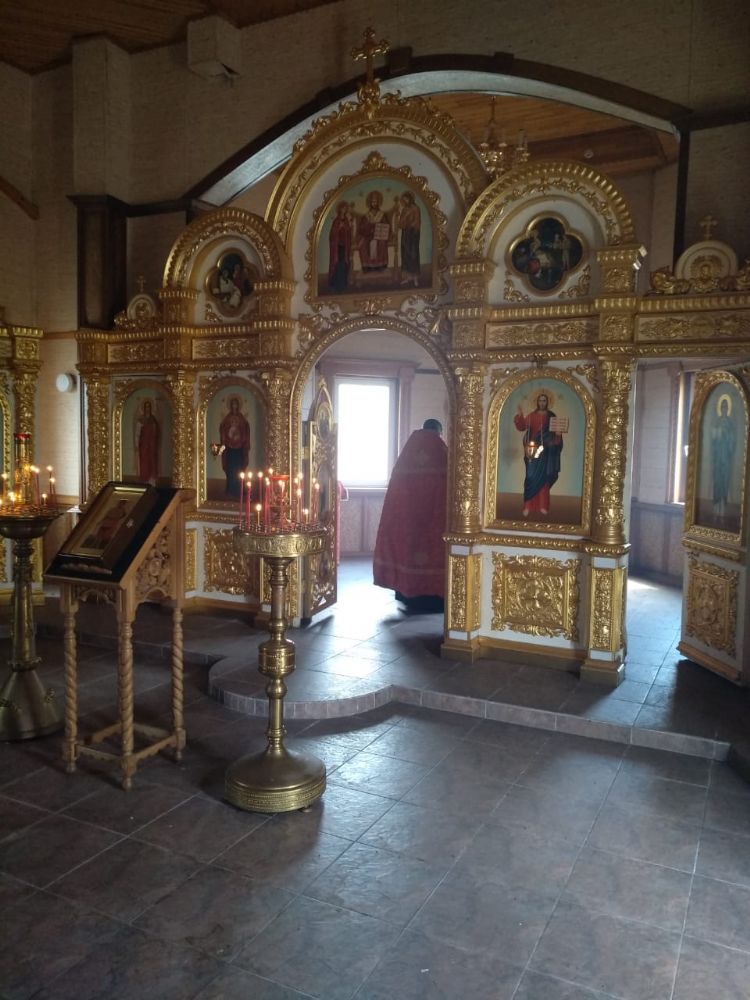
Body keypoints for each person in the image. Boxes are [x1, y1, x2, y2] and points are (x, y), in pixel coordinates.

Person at [373, 418, 447, 611]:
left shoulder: (408, 452)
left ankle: (406, 592)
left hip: (409, 521)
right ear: (439, 432)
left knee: (409, 551)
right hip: (435, 521)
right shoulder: (442, 452)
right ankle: (433, 596)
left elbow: (396, 491)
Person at [514, 393, 564, 517]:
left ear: (547, 402)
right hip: (532, 451)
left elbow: (556, 438)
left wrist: (558, 434)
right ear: (537, 402)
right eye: (540, 400)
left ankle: (543, 506)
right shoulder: (532, 416)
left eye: (544, 401)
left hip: (546, 452)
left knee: (544, 479)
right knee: (530, 477)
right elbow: (522, 427)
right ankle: (527, 506)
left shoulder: (552, 416)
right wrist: (520, 415)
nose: (542, 403)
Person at [219, 396, 251, 499]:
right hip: (230, 448)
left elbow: (245, 428)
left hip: (239, 448)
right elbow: (223, 428)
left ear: (238, 405)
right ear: (230, 405)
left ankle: (240, 490)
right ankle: (230, 490)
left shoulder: (241, 418)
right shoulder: (227, 418)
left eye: (236, 404)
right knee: (230, 469)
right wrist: (226, 432)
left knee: (239, 469)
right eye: (232, 404)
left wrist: (241, 434)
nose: (234, 405)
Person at [711, 395, 736, 520]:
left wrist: (726, 434)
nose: (725, 409)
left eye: (726, 407)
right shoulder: (717, 422)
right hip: (718, 457)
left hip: (725, 458)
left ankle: (723, 511)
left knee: (725, 482)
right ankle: (715, 509)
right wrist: (718, 432)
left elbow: (733, 440)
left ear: (728, 409)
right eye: (723, 407)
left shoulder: (730, 424)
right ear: (720, 408)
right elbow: (713, 438)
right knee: (717, 483)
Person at [356, 190, 390, 271]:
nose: (374, 203)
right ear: (370, 203)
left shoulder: (382, 215)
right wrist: (369, 227)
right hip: (368, 235)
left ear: (378, 202)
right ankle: (367, 266)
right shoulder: (366, 216)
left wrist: (380, 228)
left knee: (382, 243)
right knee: (363, 244)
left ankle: (380, 265)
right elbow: (361, 228)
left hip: (379, 235)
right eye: (372, 202)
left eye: (375, 202)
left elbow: (387, 226)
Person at [327, 201, 353, 292]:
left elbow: (349, 233)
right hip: (337, 247)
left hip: (345, 247)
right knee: (337, 264)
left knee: (344, 264)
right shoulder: (336, 221)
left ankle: (343, 283)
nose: (344, 210)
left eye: (345, 208)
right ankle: (336, 283)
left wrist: (346, 228)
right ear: (340, 209)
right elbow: (332, 235)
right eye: (343, 208)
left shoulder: (346, 220)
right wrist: (339, 228)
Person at [398, 191, 421, 287]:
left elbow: (417, 222)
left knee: (413, 255)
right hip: (405, 234)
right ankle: (407, 277)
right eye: (404, 200)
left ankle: (415, 278)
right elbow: (400, 224)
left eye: (406, 199)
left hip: (413, 235)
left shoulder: (415, 209)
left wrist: (410, 225)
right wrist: (403, 220)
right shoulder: (404, 209)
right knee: (405, 255)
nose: (405, 201)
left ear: (410, 198)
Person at [135, 399, 160, 486]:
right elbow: (137, 434)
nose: (148, 409)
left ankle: (152, 481)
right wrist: (137, 444)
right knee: (144, 462)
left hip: (152, 445)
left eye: (149, 407)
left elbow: (157, 433)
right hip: (144, 445)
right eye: (146, 407)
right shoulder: (141, 420)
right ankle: (144, 480)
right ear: (144, 408)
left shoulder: (154, 420)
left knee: (152, 461)